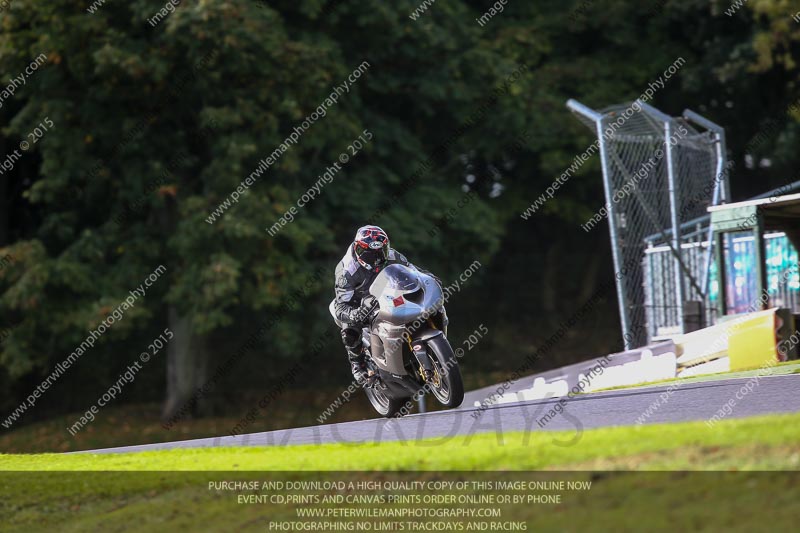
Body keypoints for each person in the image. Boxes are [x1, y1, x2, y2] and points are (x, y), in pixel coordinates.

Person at [332, 225, 432, 385]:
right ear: (359, 251)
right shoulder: (346, 271)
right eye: (371, 254)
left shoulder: (392, 255)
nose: (377, 258)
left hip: (387, 293)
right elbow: (340, 306)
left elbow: (414, 271)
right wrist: (354, 314)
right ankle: (358, 364)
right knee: (349, 333)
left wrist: (428, 277)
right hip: (358, 302)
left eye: (381, 252)